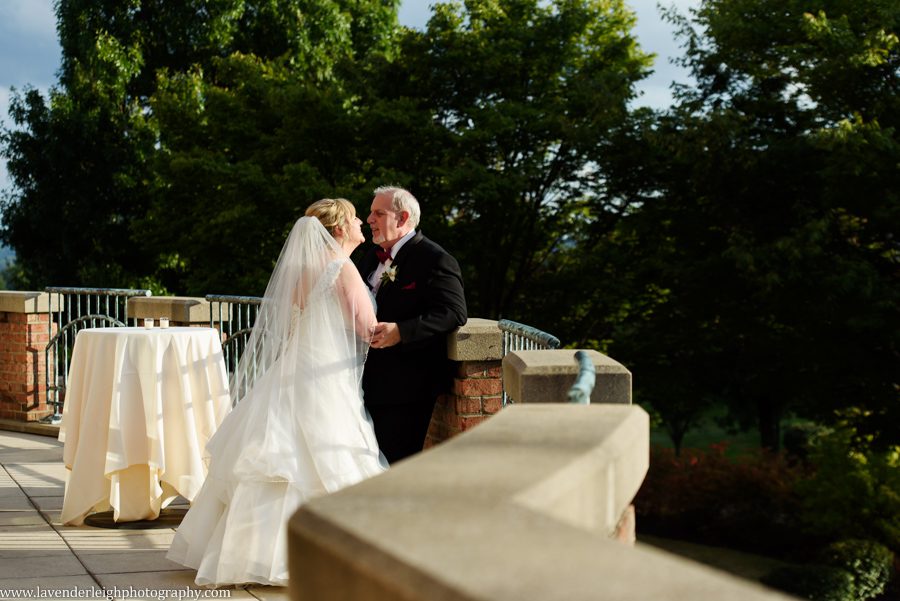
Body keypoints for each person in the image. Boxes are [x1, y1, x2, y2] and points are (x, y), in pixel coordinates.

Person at [167, 199, 387, 587]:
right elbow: (367, 329)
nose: (360, 225)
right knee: (322, 457)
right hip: (323, 378)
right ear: (338, 229)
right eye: (354, 219)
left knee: (275, 458)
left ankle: (247, 555)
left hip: (292, 371)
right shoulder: (343, 268)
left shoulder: (301, 271)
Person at [360, 186, 467, 464]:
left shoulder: (434, 258)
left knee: (394, 466)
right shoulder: (371, 258)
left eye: (378, 213)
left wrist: (401, 332)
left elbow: (453, 312)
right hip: (363, 381)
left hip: (406, 388)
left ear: (402, 217)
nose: (369, 219)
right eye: (371, 213)